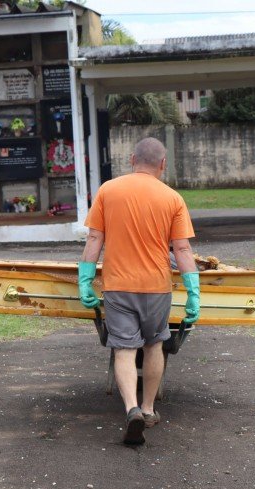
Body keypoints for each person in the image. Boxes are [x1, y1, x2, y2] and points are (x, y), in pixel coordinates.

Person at [78, 137, 200, 446]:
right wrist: (193, 291)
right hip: (156, 287)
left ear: (132, 159)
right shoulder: (172, 198)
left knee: (123, 349)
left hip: (118, 286)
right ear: (163, 164)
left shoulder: (108, 190)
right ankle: (148, 409)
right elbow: (182, 248)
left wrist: (85, 278)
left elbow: (94, 239)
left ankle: (130, 407)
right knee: (154, 345)